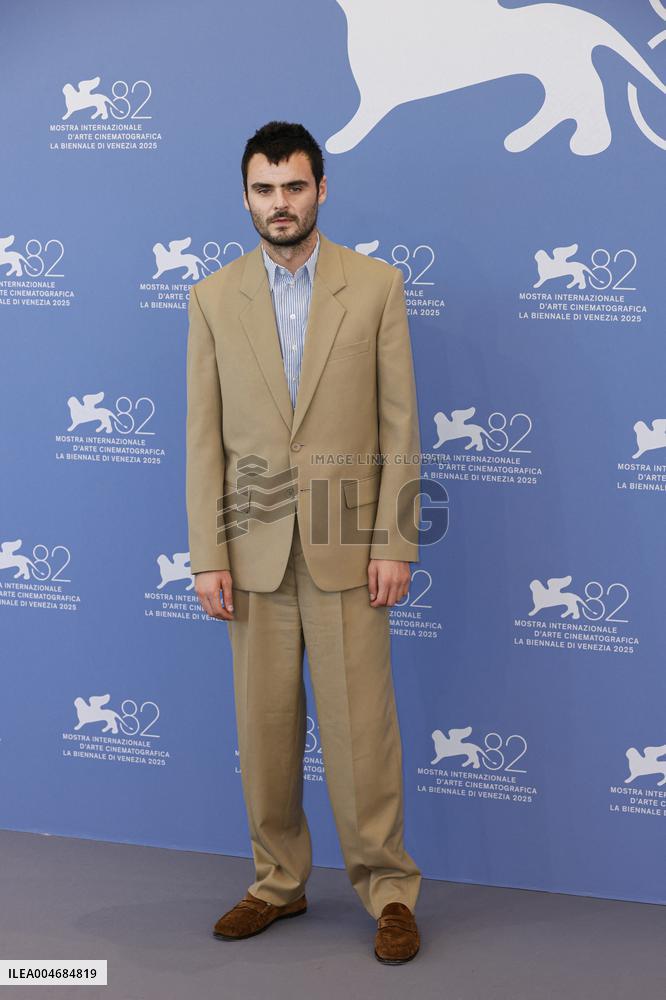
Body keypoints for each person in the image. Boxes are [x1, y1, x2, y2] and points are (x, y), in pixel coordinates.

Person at [185, 121, 423, 964]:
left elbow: (401, 428)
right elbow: (203, 440)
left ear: (321, 189)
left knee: (363, 734)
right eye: (264, 189)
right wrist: (208, 555)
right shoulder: (212, 298)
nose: (279, 203)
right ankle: (277, 882)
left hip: (348, 546)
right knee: (266, 728)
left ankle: (389, 891)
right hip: (252, 547)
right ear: (246, 196)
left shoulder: (377, 286)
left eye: (293, 186)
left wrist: (395, 541)